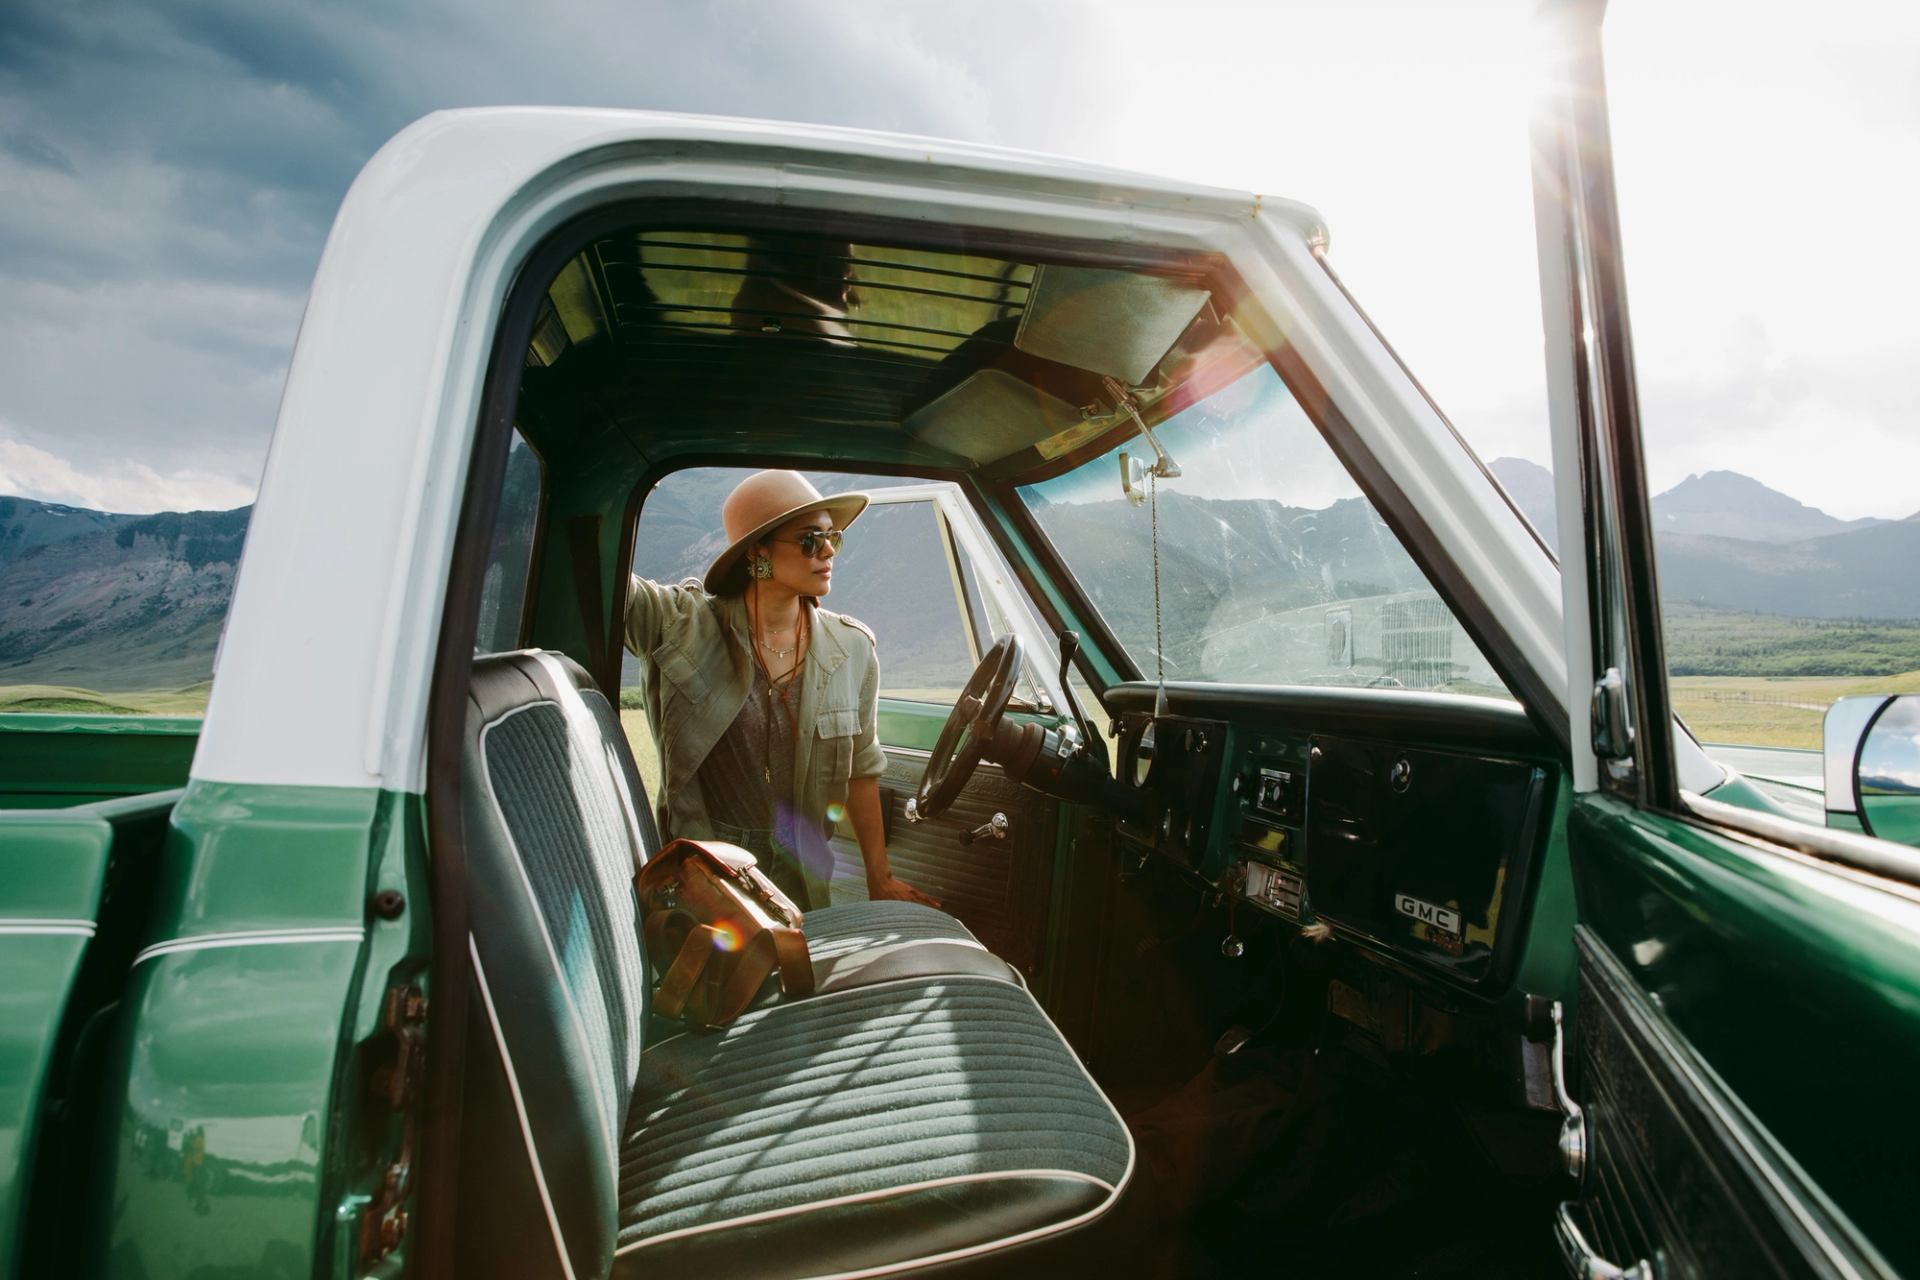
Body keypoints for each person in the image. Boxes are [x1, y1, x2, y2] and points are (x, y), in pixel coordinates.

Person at [623, 469, 938, 911]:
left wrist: (879, 877)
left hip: (802, 871)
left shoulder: (852, 649)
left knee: (799, 975)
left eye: (834, 538)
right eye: (810, 539)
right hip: (705, 865)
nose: (829, 551)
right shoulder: (679, 624)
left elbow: (862, 768)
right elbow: (605, 576)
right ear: (758, 554)